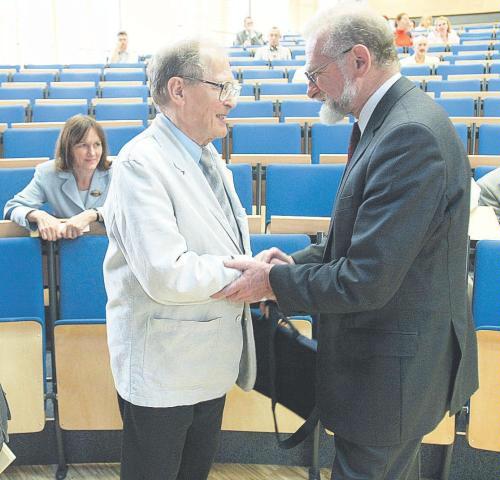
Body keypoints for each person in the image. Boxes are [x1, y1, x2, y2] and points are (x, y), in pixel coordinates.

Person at [215, 5, 478, 479]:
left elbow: (366, 278)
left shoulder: (409, 135)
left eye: (315, 73)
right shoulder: (392, 121)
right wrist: (290, 265)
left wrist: (272, 283)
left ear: (359, 60)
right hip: (392, 373)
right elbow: (360, 241)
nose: (311, 89)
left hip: (391, 380)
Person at [102, 38, 256, 480]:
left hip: (207, 361)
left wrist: (254, 265)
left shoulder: (209, 158)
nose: (231, 100)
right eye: (222, 87)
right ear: (178, 90)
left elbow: (223, 245)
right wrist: (248, 274)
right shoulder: (140, 163)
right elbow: (164, 273)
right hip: (164, 368)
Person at [3, 115, 110, 241]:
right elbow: (11, 208)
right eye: (83, 145)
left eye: (97, 144)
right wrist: (38, 215)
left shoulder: (115, 172)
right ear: (68, 149)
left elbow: (127, 210)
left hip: (111, 245)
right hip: (67, 246)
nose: (92, 152)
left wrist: (93, 214)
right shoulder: (47, 173)